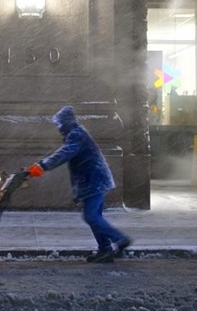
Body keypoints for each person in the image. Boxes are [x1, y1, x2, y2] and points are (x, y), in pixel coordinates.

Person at [28, 105, 132, 263]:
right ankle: (105, 250)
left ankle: (120, 239)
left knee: (91, 216)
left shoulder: (76, 134)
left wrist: (43, 166)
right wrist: (42, 163)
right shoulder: (76, 133)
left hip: (94, 181)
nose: (59, 128)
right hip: (94, 180)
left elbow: (65, 153)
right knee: (94, 217)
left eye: (59, 124)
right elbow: (64, 152)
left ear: (65, 123)